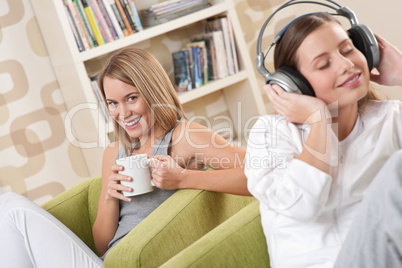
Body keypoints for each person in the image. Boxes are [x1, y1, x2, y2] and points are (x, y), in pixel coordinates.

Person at [0, 48, 249, 267]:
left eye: (131, 98)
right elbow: (102, 244)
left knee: (11, 208)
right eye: (113, 103)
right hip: (106, 261)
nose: (122, 112)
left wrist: (184, 178)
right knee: (8, 207)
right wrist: (109, 196)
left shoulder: (185, 136)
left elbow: (258, 174)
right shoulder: (114, 152)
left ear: (153, 93)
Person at [245, 13, 402, 268]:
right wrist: (319, 121)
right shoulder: (270, 134)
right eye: (323, 64)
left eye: (348, 50)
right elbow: (300, 206)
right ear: (295, 85)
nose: (345, 65)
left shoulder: (391, 118)